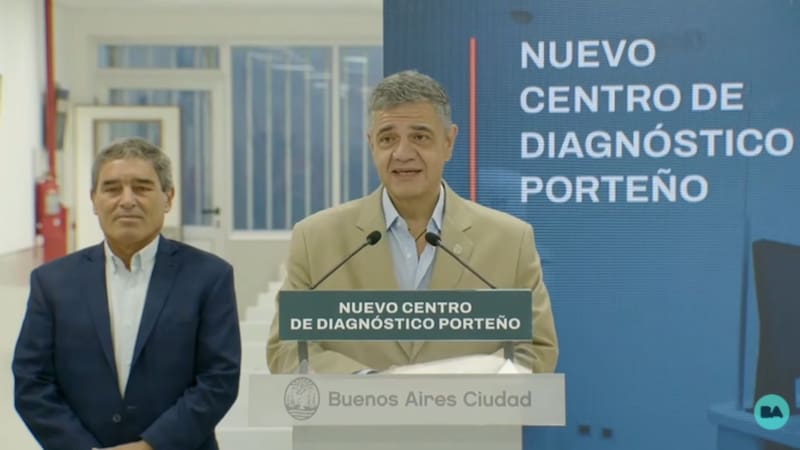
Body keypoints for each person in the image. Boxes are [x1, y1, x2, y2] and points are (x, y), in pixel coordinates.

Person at [267, 70, 557, 374]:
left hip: (467, 417)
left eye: (420, 137)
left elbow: (534, 349)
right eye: (388, 138)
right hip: (358, 419)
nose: (403, 153)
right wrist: (371, 389)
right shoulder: (315, 239)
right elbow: (287, 348)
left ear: (448, 142)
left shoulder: (510, 241)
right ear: (371, 145)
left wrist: (450, 393)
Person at [13, 138, 241, 450]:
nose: (127, 200)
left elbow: (219, 380)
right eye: (112, 189)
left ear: (168, 197)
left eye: (142, 187)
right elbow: (32, 383)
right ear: (94, 199)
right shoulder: (52, 282)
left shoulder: (210, 277)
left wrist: (151, 446)